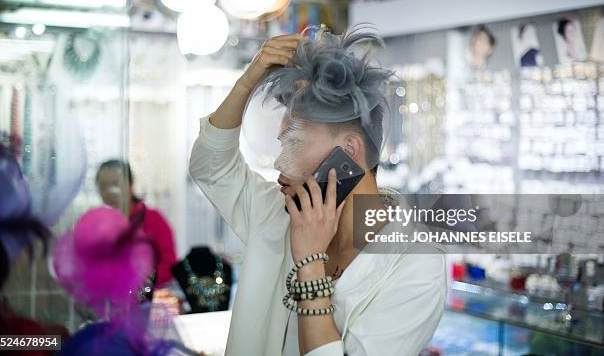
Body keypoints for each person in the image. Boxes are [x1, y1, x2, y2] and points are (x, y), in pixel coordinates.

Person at [189, 27, 446, 356]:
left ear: (349, 151)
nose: (280, 164)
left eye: (294, 143)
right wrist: (247, 82)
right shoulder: (280, 210)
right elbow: (210, 166)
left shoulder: (416, 265)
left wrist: (310, 264)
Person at [96, 159, 177, 287]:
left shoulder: (152, 219)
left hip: (147, 298)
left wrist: (141, 281)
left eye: (115, 184)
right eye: (103, 186)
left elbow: (170, 264)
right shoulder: (97, 225)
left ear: (130, 184)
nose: (109, 192)